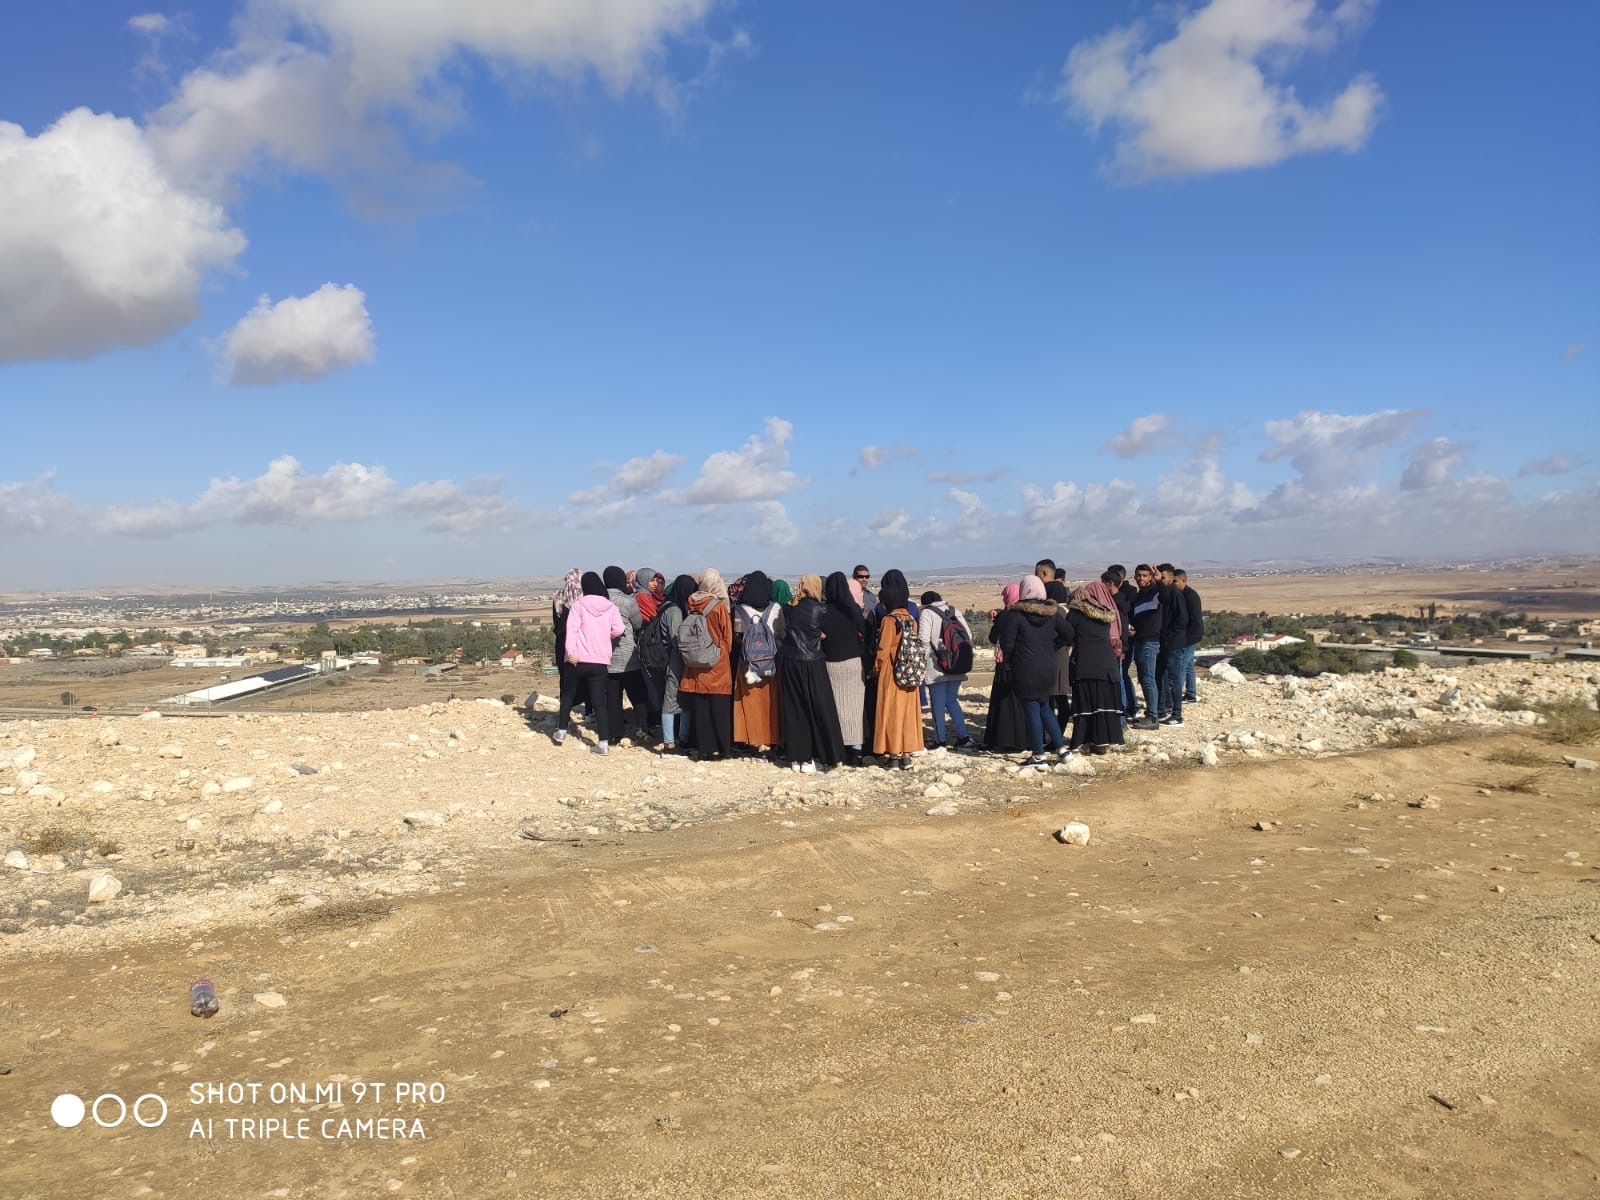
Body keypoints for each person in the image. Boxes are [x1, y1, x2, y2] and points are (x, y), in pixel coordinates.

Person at [998, 575, 1071, 769]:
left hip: (1025, 666)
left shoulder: (1016, 614)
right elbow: (1069, 634)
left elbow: (1007, 643)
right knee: (1044, 706)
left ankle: (1038, 755)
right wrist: (1051, 646)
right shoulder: (1052, 613)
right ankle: (1062, 749)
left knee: (1031, 708)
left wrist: (1016, 656)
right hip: (1048, 665)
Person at [778, 574, 844, 772]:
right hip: (812, 661)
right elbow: (824, 632)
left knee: (795, 708)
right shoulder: (820, 608)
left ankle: (798, 757)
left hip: (790, 660)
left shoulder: (788, 607)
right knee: (819, 709)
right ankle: (822, 755)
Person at [555, 572, 623, 755]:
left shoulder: (578, 605)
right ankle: (603, 743)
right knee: (599, 703)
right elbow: (619, 629)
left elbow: (572, 630)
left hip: (578, 659)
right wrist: (604, 638)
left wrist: (570, 653)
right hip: (600, 661)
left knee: (568, 695)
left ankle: (561, 731)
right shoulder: (611, 607)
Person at [1064, 577, 1126, 754]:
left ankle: (1083, 741)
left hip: (1086, 664)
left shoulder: (1075, 614)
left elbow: (1067, 636)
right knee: (1102, 703)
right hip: (1107, 665)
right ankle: (1102, 741)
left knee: (1086, 703)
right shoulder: (1104, 615)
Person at [680, 568, 735, 760]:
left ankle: (704, 747)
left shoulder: (691, 602)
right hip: (717, 661)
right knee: (719, 707)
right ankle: (721, 748)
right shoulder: (718, 605)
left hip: (695, 660)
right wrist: (722, 654)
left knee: (701, 706)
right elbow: (727, 636)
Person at [870, 569, 922, 769]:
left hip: (891, 672)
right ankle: (907, 754)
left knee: (891, 711)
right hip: (909, 670)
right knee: (908, 713)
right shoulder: (911, 619)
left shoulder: (889, 620)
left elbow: (883, 649)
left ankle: (893, 754)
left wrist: (876, 668)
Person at [732, 570, 785, 754]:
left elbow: (738, 637)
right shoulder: (776, 608)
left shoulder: (739, 610)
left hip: (748, 664)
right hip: (771, 663)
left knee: (750, 702)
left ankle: (753, 740)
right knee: (770, 702)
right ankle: (770, 739)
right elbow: (781, 634)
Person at [821, 571, 869, 766]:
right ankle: (856, 752)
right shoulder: (854, 610)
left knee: (836, 708)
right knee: (855, 708)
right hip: (853, 662)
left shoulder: (823, 611)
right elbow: (863, 634)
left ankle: (838, 748)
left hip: (831, 663)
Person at [919, 590, 973, 750]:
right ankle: (963, 737)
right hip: (957, 664)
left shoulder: (927, 613)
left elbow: (923, 638)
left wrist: (929, 657)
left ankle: (940, 740)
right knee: (952, 700)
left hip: (937, 666)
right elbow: (968, 634)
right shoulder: (954, 611)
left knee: (937, 704)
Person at [602, 565, 649, 742]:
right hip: (628, 656)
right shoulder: (628, 601)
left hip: (606, 656)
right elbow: (637, 624)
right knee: (637, 694)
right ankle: (641, 728)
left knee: (613, 698)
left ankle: (615, 733)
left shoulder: (600, 600)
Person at [982, 582, 1028, 753]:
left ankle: (1003, 740)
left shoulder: (1007, 615)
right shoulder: (1026, 613)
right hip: (1024, 664)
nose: (1003, 598)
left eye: (1004, 595)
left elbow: (994, 638)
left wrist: (996, 621)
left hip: (1006, 666)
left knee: (1004, 705)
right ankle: (1025, 740)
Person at [658, 573, 699, 753]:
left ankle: (682, 737)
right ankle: (669, 741)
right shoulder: (674, 611)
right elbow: (677, 638)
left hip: (680, 657)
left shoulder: (672, 607)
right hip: (675, 658)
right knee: (671, 697)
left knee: (684, 697)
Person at [1128, 564, 1163, 730]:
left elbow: (1167, 596)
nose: (1141, 578)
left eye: (1144, 575)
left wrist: (1160, 582)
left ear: (1150, 577)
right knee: (1143, 678)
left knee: (1148, 678)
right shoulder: (1139, 596)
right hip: (1140, 640)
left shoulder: (1156, 592)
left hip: (1150, 641)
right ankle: (1151, 713)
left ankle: (1153, 717)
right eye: (1138, 575)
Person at [1156, 562, 1189, 726]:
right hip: (1166, 642)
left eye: (1162, 578)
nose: (1160, 581)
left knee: (1174, 679)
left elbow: (1182, 619)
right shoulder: (1167, 592)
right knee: (1161, 675)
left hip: (1174, 643)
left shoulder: (1174, 593)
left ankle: (1177, 715)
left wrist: (1170, 636)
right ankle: (1162, 709)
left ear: (1171, 577)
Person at [551, 568, 583, 719]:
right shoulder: (584, 596)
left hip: (562, 641)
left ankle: (565, 712)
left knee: (565, 676)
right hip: (579, 641)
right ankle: (588, 709)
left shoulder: (558, 595)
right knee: (583, 675)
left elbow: (556, 622)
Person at [1108, 565, 1138, 719]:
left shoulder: (1127, 594)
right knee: (1123, 675)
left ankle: (1125, 711)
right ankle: (1129, 707)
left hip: (1123, 641)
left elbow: (1127, 613)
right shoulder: (1122, 595)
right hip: (1123, 640)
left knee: (1121, 676)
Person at [1044, 575, 1073, 733]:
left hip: (1057, 657)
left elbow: (1065, 634)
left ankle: (1057, 733)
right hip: (1060, 656)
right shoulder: (1065, 610)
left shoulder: (1058, 612)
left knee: (1057, 697)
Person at [1175, 569, 1203, 704]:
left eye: (1175, 581)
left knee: (1181, 665)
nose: (1173, 584)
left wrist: (1187, 637)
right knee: (1189, 666)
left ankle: (1175, 697)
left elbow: (1195, 619)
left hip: (1190, 637)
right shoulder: (1181, 594)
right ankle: (1191, 694)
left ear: (1183, 581)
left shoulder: (1190, 596)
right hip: (1190, 636)